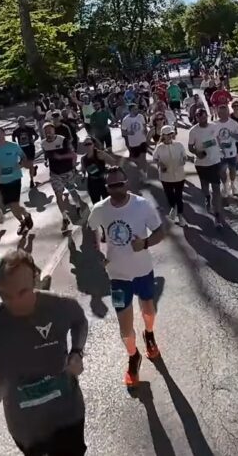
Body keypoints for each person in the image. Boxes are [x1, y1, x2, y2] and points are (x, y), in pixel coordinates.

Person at [0, 251, 89, 455]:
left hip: (67, 415)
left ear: (35, 280)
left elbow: (80, 321)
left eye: (23, 292)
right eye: (6, 295)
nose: (15, 302)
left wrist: (77, 352)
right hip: (26, 427)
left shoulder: (60, 307)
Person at [86, 167, 167, 387]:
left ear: (126, 183)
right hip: (118, 276)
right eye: (111, 186)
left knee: (148, 310)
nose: (116, 189)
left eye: (119, 184)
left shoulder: (142, 205)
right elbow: (90, 229)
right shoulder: (100, 209)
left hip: (142, 271)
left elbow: (160, 231)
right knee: (125, 328)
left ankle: (149, 334)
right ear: (106, 187)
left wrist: (146, 243)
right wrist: (97, 252)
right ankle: (133, 357)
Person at [0, 127, 35, 236]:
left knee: (14, 203)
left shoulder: (13, 146)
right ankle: (23, 221)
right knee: (11, 205)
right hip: (2, 181)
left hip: (15, 178)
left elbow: (23, 156)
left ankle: (26, 215)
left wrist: (20, 164)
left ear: (4, 134)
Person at [187, 106, 226, 230]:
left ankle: (218, 216)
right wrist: (196, 153)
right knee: (205, 188)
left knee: (216, 189)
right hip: (201, 164)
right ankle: (207, 197)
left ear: (207, 117)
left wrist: (222, 149)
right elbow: (190, 147)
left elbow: (218, 138)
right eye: (200, 116)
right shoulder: (193, 131)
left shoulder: (213, 127)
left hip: (215, 161)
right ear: (196, 118)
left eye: (204, 116)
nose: (203, 118)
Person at [41, 123, 83, 235]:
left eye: (50, 130)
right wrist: (46, 160)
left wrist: (62, 158)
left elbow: (73, 155)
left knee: (71, 190)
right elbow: (46, 153)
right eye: (46, 132)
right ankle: (64, 218)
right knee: (58, 195)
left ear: (54, 131)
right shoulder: (43, 143)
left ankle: (78, 206)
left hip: (67, 171)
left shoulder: (63, 140)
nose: (48, 133)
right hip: (55, 174)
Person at [153, 125, 188, 225]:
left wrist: (184, 160)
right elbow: (155, 158)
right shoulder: (159, 147)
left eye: (171, 134)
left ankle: (181, 217)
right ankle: (174, 207)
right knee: (170, 196)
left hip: (179, 175)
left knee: (179, 196)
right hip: (166, 176)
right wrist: (160, 164)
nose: (169, 136)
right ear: (163, 135)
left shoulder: (179, 145)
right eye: (167, 134)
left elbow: (184, 156)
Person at [213, 104, 238, 197]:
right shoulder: (214, 125)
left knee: (232, 170)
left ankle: (232, 184)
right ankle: (225, 186)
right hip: (220, 153)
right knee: (222, 171)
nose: (222, 114)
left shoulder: (234, 124)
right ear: (218, 113)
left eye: (224, 112)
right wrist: (218, 146)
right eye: (220, 112)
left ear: (228, 113)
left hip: (232, 152)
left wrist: (232, 134)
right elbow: (212, 138)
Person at [80, 137, 119, 206]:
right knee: (96, 204)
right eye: (86, 144)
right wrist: (82, 176)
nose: (88, 146)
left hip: (103, 181)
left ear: (93, 144)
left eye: (89, 144)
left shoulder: (99, 154)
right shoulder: (83, 159)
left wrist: (111, 173)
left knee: (109, 202)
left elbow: (113, 162)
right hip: (92, 183)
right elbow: (83, 170)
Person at [12, 116, 40, 189]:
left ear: (25, 122)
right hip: (22, 150)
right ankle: (34, 169)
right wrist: (16, 146)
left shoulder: (30, 129)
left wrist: (33, 141)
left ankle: (31, 181)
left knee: (30, 164)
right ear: (18, 123)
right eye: (19, 122)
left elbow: (37, 136)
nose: (21, 123)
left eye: (22, 121)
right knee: (25, 165)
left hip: (30, 148)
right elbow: (13, 140)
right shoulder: (16, 131)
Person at [119, 104, 149, 169]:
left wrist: (146, 131)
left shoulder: (140, 116)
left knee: (143, 157)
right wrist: (129, 133)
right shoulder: (126, 120)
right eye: (134, 109)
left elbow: (144, 125)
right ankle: (140, 168)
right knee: (136, 159)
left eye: (136, 108)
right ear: (130, 110)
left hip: (142, 141)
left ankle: (144, 171)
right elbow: (123, 132)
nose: (136, 110)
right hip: (133, 143)